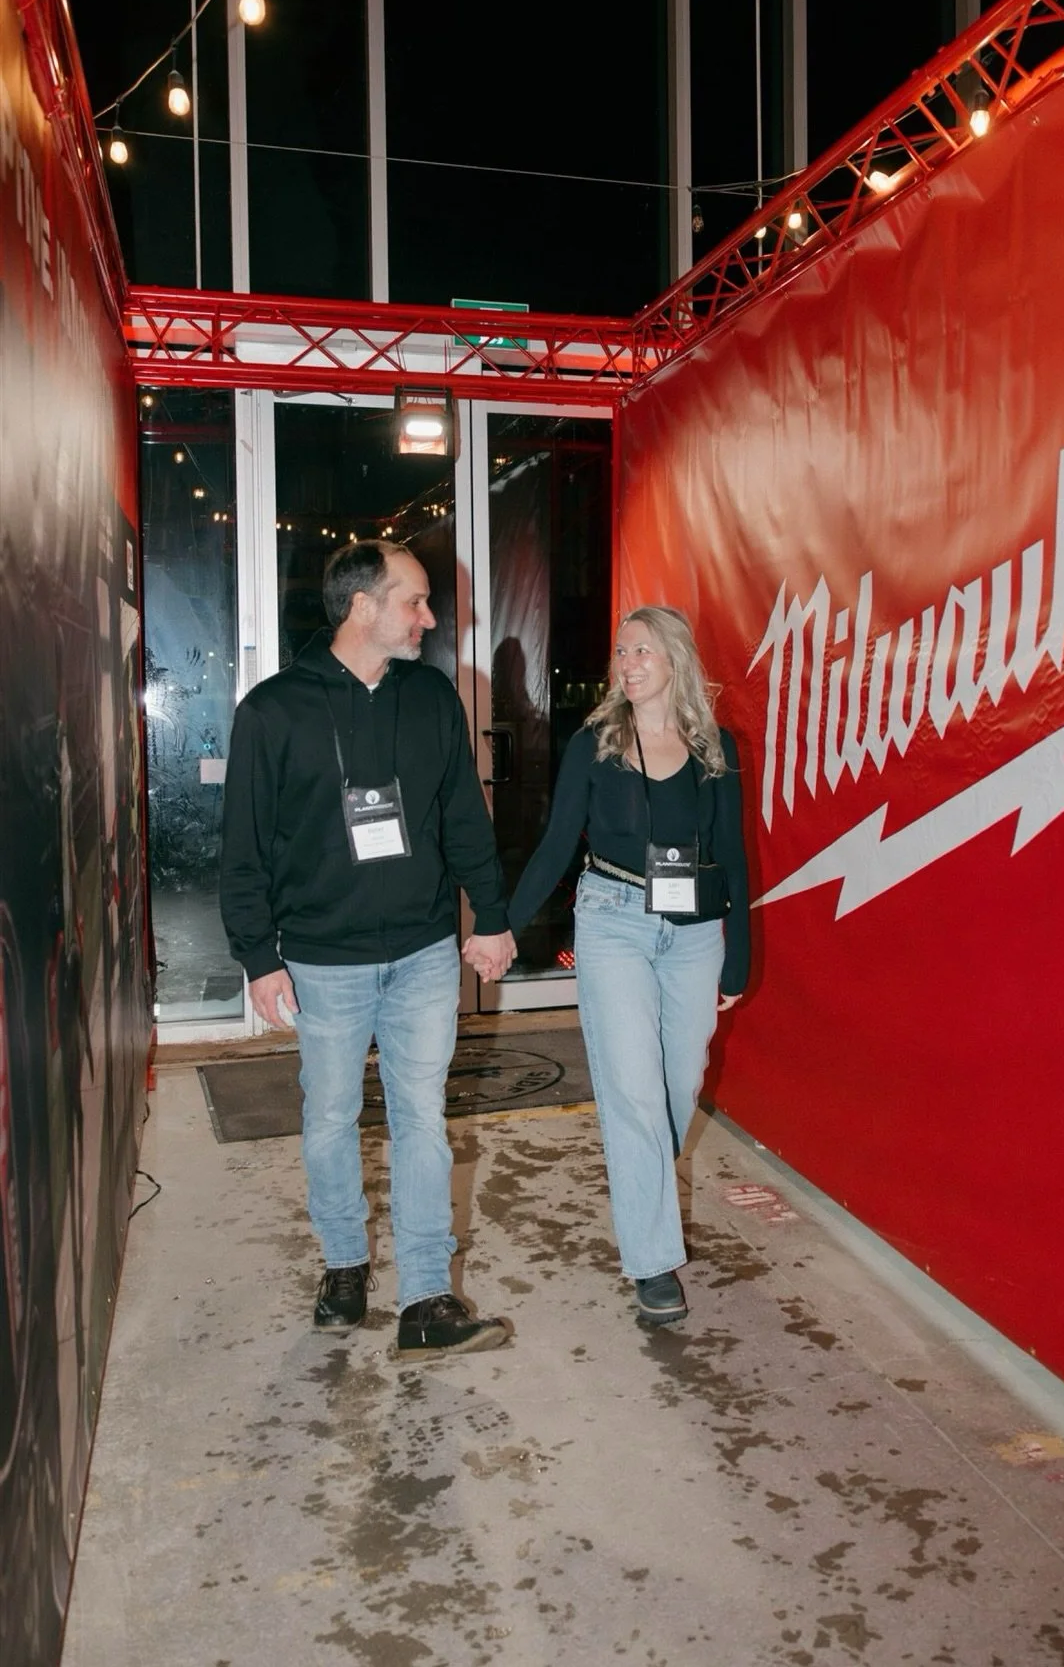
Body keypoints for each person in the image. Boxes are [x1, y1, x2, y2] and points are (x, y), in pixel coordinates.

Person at [220, 540, 518, 1357]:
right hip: (322, 960)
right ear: (362, 607)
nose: (430, 617)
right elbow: (242, 850)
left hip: (423, 950)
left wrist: (490, 917)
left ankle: (426, 1295)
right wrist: (258, 957)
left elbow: (464, 816)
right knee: (331, 1115)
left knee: (423, 1115)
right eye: (414, 601)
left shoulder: (431, 698)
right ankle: (345, 1263)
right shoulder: (274, 711)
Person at [508, 606, 750, 1324]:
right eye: (621, 651)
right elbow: (556, 843)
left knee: (680, 1083)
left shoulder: (715, 748)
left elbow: (734, 856)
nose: (627, 662)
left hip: (696, 933)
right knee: (635, 1096)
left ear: (675, 659)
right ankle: (653, 1262)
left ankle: (641, 1177)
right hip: (613, 920)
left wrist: (739, 958)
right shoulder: (597, 744)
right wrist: (502, 925)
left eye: (642, 650)